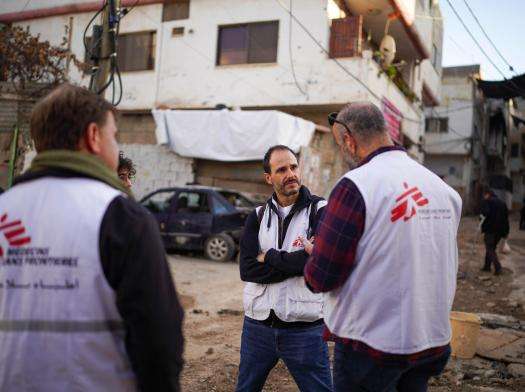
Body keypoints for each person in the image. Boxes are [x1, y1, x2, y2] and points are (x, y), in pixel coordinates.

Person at [0, 84, 184, 391]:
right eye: (114, 135)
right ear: (93, 137)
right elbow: (158, 340)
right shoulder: (122, 217)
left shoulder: (5, 207)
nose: (116, 145)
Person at [302, 102, 462, 392]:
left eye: (340, 145)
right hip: (430, 341)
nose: (342, 153)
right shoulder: (444, 191)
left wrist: (314, 259)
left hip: (373, 347)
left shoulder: (356, 186)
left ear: (349, 140)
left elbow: (323, 276)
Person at [236, 145, 332, 392]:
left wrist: (268, 256)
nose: (290, 174)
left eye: (293, 167)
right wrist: (299, 262)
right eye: (281, 170)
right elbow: (247, 270)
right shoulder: (257, 216)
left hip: (305, 329)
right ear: (268, 177)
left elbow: (319, 262)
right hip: (257, 327)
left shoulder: (320, 211)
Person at [480, 188, 510, 275]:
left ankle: (498, 267)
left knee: (490, 248)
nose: (484, 197)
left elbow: (485, 213)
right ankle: (487, 266)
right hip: (500, 231)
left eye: (484, 195)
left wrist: (481, 217)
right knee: (491, 248)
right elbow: (506, 218)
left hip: (490, 229)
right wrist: (506, 232)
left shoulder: (488, 201)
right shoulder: (502, 203)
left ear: (488, 194)